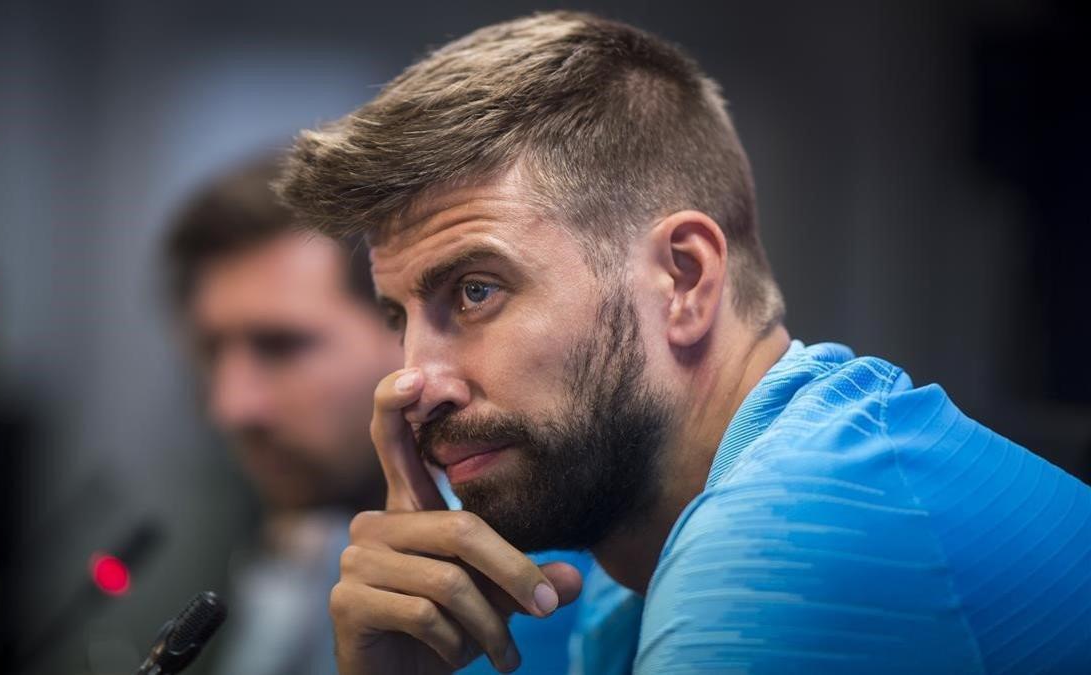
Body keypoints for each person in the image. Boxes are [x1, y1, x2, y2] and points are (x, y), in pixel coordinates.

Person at [275, 11, 1091, 674]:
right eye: (399, 317)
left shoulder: (793, 537)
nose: (414, 380)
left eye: (476, 291)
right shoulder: (631, 561)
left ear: (686, 279)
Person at [163, 155, 586, 675]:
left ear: (403, 329)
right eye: (210, 353)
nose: (231, 407)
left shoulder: (532, 570)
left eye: (280, 347)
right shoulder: (307, 551)